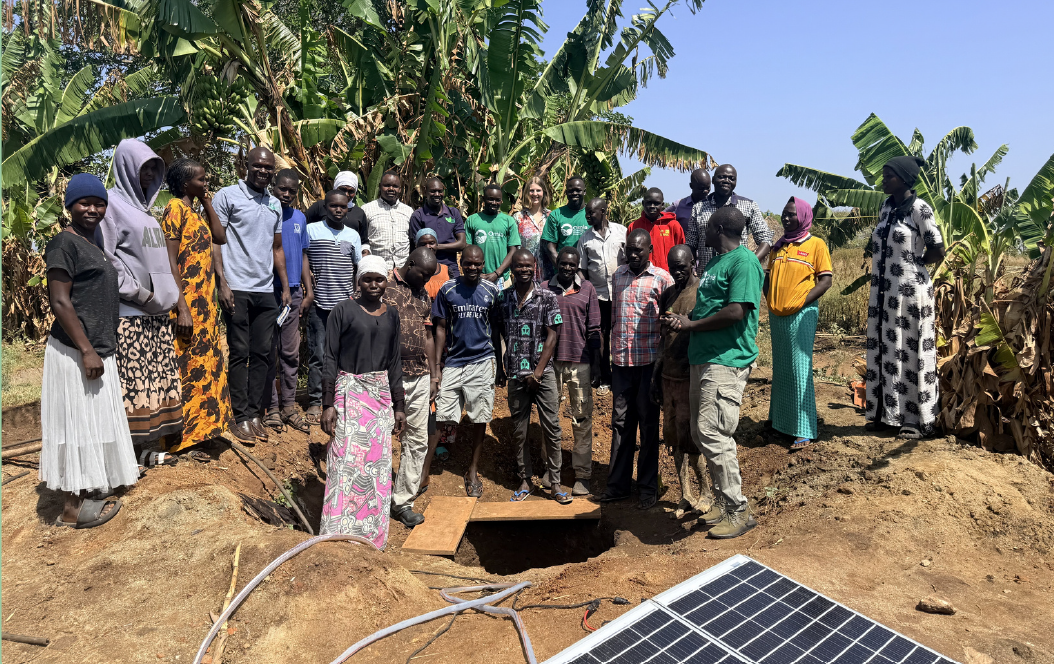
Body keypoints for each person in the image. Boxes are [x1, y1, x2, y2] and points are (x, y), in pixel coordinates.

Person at [42, 174, 139, 527]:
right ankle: (71, 509)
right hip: (75, 349)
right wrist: (85, 350)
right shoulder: (63, 243)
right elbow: (60, 301)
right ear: (70, 205)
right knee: (76, 424)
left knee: (93, 420)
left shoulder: (92, 242)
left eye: (99, 203)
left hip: (97, 346)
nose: (93, 209)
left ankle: (91, 485)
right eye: (85, 203)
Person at [663, 207, 764, 539]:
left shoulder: (744, 262)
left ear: (719, 229)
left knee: (713, 431)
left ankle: (738, 510)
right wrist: (685, 320)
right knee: (700, 432)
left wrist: (691, 325)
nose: (701, 231)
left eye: (706, 226)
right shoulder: (716, 264)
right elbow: (709, 307)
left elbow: (736, 311)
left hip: (726, 359)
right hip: (703, 358)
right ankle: (723, 502)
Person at [100, 139, 184, 458]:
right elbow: (108, 259)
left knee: (150, 388)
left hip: (156, 315)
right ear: (125, 167)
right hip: (131, 313)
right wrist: (141, 292)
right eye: (143, 168)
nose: (149, 174)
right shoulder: (110, 205)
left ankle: (142, 452)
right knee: (132, 388)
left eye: (153, 168)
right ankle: (125, 457)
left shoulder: (148, 214)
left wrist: (166, 297)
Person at [319, 255, 406, 549]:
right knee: (344, 463)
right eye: (367, 279)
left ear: (386, 282)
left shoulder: (392, 315)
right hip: (349, 395)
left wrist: (399, 406)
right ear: (358, 280)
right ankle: (336, 533)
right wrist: (328, 403)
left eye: (379, 279)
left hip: (380, 400)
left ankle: (370, 538)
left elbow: (394, 362)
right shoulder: (342, 310)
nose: (373, 284)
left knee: (376, 469)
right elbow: (330, 357)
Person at [213, 146, 292, 444]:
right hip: (237, 287)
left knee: (262, 353)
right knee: (240, 352)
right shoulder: (227, 196)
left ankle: (254, 412)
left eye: (268, 167)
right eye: (257, 165)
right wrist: (222, 282)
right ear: (246, 165)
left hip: (265, 289)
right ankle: (239, 415)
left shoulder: (274, 203)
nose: (263, 171)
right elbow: (216, 241)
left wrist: (285, 286)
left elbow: (276, 247)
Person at [865, 156, 945, 439]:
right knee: (885, 350)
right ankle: (886, 414)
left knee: (910, 353)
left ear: (905, 179)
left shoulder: (920, 209)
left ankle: (914, 419)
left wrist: (914, 265)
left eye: (889, 176)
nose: (883, 180)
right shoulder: (886, 207)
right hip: (884, 293)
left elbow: (937, 249)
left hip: (910, 293)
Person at [595, 229, 673, 510]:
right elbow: (614, 318)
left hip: (648, 364)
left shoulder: (662, 279)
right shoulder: (618, 276)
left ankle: (647, 487)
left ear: (649, 250)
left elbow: (668, 323)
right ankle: (617, 486)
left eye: (639, 250)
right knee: (620, 424)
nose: (633, 254)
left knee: (649, 425)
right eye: (629, 249)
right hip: (621, 364)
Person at [160, 159, 232, 456]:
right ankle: (181, 440)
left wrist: (207, 202)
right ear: (184, 183)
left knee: (205, 367)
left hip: (205, 305)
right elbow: (169, 260)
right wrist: (182, 308)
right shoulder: (174, 209)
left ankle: (203, 432)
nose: (206, 183)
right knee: (186, 369)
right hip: (186, 305)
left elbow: (220, 237)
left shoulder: (195, 212)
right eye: (201, 180)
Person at [495, 250, 568, 503]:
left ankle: (555, 483)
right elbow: (498, 332)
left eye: (528, 266)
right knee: (520, 431)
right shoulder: (503, 298)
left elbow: (553, 336)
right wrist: (500, 367)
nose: (523, 270)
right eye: (519, 266)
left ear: (534, 266)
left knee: (552, 428)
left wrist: (536, 374)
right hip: (515, 374)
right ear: (511, 269)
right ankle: (525, 480)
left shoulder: (547, 297)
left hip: (542, 374)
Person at [432, 245, 502, 498]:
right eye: (468, 263)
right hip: (454, 360)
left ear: (483, 264)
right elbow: (440, 328)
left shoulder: (491, 291)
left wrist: (499, 364)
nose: (473, 267)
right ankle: (424, 471)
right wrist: (437, 365)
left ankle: (472, 471)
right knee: (441, 414)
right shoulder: (448, 289)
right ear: (461, 263)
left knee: (480, 417)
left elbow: (496, 328)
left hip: (482, 359)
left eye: (477, 263)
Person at [765, 197, 833, 449]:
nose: (785, 218)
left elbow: (825, 280)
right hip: (777, 316)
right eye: (784, 213)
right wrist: (771, 300)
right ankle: (780, 422)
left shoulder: (815, 244)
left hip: (801, 315)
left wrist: (801, 301)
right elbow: (768, 277)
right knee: (782, 368)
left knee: (799, 368)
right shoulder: (779, 246)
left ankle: (804, 428)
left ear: (803, 216)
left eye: (791, 214)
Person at [651, 245, 711, 518]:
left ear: (692, 263)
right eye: (672, 267)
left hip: (691, 376)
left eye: (681, 267)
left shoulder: (702, 292)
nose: (677, 272)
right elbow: (663, 338)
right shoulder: (668, 294)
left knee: (693, 440)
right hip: (669, 376)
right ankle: (685, 493)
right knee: (674, 439)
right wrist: (656, 373)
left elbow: (707, 329)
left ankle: (706, 492)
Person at [384, 248, 439, 528]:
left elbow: (428, 335)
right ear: (411, 264)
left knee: (417, 439)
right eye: (424, 274)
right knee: (381, 437)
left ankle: (403, 502)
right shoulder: (384, 287)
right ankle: (375, 497)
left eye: (430, 276)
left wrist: (434, 374)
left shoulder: (423, 295)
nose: (426, 280)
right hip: (387, 376)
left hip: (419, 376)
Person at [304, 189, 362, 426]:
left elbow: (357, 268)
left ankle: (340, 399)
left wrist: (356, 297)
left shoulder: (353, 235)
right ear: (325, 207)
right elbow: (304, 259)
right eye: (333, 206)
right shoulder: (311, 230)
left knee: (344, 355)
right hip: (319, 303)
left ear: (348, 208)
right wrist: (308, 285)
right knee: (318, 354)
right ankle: (315, 400)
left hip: (345, 305)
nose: (338, 210)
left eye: (343, 206)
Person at [262, 169, 314, 433]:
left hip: (293, 293)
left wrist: (308, 290)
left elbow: (303, 254)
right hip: (267, 291)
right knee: (269, 351)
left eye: (292, 191)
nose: (286, 194)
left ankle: (289, 406)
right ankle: (271, 408)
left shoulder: (299, 218)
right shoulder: (264, 212)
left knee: (290, 352)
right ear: (273, 186)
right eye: (282, 188)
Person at [548, 246, 601, 497]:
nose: (567, 268)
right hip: (551, 363)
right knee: (551, 419)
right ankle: (552, 470)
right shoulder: (545, 288)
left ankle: (582, 474)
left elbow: (594, 329)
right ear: (557, 263)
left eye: (572, 264)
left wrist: (597, 365)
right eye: (563, 263)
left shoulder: (587, 289)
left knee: (581, 419)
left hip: (580, 363)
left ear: (577, 265)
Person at [466, 183, 521, 385]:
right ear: (483, 199)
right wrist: (479, 274)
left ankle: (511, 367)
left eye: (497, 200)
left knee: (506, 325)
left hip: (502, 281)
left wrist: (497, 273)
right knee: (488, 325)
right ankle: (494, 368)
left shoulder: (508, 221)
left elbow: (513, 249)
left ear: (501, 201)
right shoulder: (472, 220)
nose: (494, 203)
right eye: (490, 199)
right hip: (478, 281)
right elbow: (468, 249)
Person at [577, 197, 626, 391]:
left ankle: (621, 374)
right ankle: (603, 374)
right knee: (601, 334)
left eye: (591, 213)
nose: (588, 216)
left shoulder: (622, 232)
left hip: (621, 293)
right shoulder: (585, 239)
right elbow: (581, 269)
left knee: (621, 333)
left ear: (603, 211)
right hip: (598, 296)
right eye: (586, 213)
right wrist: (587, 288)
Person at [688, 164, 773, 268]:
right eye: (722, 177)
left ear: (736, 182)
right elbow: (691, 243)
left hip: (738, 272)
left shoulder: (749, 206)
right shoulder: (698, 208)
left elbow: (766, 239)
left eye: (731, 178)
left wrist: (750, 263)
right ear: (713, 180)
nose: (726, 181)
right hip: (707, 273)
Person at [408, 177, 466, 278]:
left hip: (451, 268)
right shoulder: (418, 216)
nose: (437, 194)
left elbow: (462, 244)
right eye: (433, 191)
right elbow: (418, 247)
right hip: (427, 268)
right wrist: (449, 246)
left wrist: (435, 246)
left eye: (440, 191)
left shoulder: (453, 213)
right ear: (425, 191)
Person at [362, 171, 413, 271]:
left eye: (395, 186)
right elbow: (362, 240)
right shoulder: (367, 209)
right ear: (380, 186)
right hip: (376, 268)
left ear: (400, 189)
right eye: (387, 185)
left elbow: (411, 241)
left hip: (402, 268)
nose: (391, 189)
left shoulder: (408, 211)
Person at [305, 170, 370, 246]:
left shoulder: (359, 213)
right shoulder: (320, 206)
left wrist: (365, 250)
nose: (346, 194)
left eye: (351, 191)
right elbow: (302, 225)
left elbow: (363, 241)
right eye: (343, 189)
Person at [630, 187, 685, 272]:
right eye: (649, 203)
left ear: (662, 205)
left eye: (656, 203)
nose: (652, 206)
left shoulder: (673, 225)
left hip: (668, 275)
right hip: (641, 275)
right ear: (643, 203)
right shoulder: (634, 226)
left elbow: (682, 252)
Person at [541, 176, 588, 272]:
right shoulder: (556, 215)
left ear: (584, 191)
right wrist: (563, 269)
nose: (574, 193)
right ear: (566, 193)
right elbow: (550, 246)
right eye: (571, 191)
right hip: (563, 273)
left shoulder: (591, 214)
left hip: (589, 272)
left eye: (578, 190)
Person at [512, 176, 552, 281]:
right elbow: (513, 247)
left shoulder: (551, 217)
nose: (535, 194)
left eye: (538, 190)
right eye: (531, 191)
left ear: (544, 192)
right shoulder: (518, 217)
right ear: (526, 193)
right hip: (525, 273)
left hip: (548, 273)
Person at [666, 168, 711, 243]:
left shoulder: (713, 205)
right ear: (691, 186)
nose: (706, 191)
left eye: (708, 188)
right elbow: (661, 218)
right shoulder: (679, 205)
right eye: (701, 188)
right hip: (684, 248)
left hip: (705, 249)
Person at [416, 230, 450, 299]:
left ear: (437, 245)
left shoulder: (447, 270)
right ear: (416, 246)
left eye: (431, 243)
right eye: (423, 244)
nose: (428, 247)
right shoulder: (412, 272)